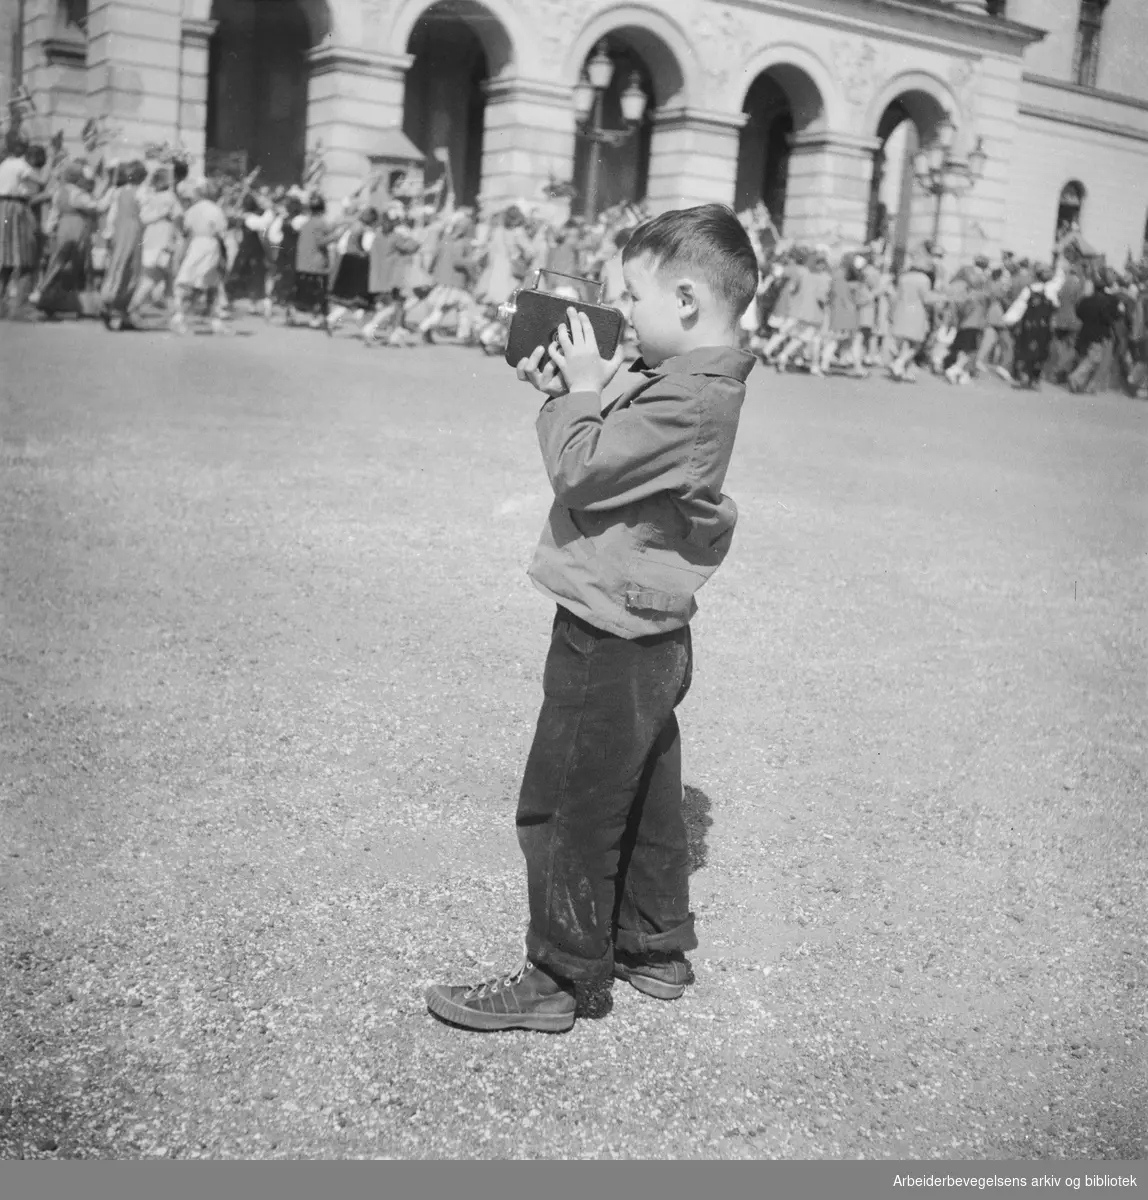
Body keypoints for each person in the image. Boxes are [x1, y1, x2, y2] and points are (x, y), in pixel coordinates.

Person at [425, 203, 759, 1033]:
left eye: (630, 298)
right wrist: (567, 393)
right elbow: (606, 443)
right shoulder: (692, 382)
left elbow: (580, 469)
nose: (619, 316)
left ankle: (558, 975)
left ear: (686, 300)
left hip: (608, 625)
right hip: (648, 627)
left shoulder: (688, 399)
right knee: (644, 791)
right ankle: (653, 944)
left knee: (567, 797)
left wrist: (574, 396)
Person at [34, 161, 103, 318]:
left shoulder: (59, 192)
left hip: (63, 227)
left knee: (59, 262)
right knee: (80, 263)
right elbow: (94, 206)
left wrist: (49, 229)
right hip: (77, 225)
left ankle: (49, 298)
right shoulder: (78, 194)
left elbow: (54, 213)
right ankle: (82, 304)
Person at [170, 179, 229, 335]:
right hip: (209, 245)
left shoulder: (192, 210)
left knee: (195, 281)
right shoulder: (215, 210)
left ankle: (185, 316)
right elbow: (221, 230)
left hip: (195, 244)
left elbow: (185, 228)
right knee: (209, 283)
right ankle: (187, 317)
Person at [0, 139, 49, 319]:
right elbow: (42, 181)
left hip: (3, 209)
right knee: (26, 257)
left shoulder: (6, 163)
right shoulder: (22, 166)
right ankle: (21, 307)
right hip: (17, 210)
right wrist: (53, 167)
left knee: (5, 259)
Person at [100, 160, 147, 331]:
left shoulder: (118, 192)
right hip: (134, 231)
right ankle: (118, 307)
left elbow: (109, 213)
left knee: (118, 265)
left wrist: (109, 232)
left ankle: (110, 301)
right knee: (132, 269)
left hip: (119, 231)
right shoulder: (141, 193)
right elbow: (146, 213)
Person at [1068, 270, 1124, 394]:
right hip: (1098, 334)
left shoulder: (1086, 300)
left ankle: (1081, 384)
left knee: (1085, 357)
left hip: (1084, 331)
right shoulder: (1106, 301)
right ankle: (1076, 378)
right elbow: (1109, 317)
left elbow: (1078, 312)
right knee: (1094, 359)